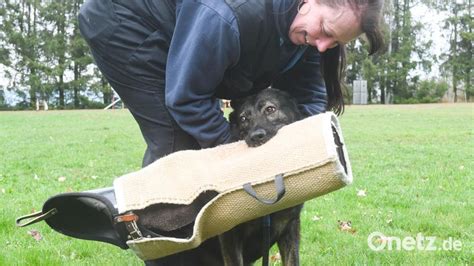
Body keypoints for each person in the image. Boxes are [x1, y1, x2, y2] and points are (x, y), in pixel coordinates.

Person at [78, 0, 384, 265]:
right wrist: (238, 158)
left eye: (333, 43)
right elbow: (186, 98)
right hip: (125, 23)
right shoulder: (230, 13)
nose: (321, 46)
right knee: (178, 145)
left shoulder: (305, 32)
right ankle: (165, 255)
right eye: (326, 31)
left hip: (190, 30)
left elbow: (309, 101)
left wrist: (294, 154)